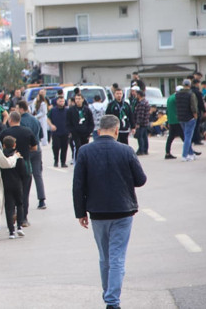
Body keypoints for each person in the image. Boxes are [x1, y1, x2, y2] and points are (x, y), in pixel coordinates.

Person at [73, 115, 147, 309]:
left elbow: (78, 185)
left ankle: (109, 296)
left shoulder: (85, 151)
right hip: (123, 211)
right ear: (116, 130)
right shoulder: (126, 150)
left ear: (98, 131)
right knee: (117, 257)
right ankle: (112, 301)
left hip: (97, 212)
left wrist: (80, 212)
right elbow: (140, 179)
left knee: (105, 257)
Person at [0, 112, 38, 228]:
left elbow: (2, 147)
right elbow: (34, 147)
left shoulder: (5, 132)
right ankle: (23, 219)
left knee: (10, 194)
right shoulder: (27, 131)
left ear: (10, 120)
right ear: (19, 120)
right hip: (25, 163)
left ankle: (11, 217)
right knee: (24, 193)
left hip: (9, 166)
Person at [18, 101, 47, 210]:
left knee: (24, 177)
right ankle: (42, 200)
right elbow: (41, 135)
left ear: (21, 109)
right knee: (37, 175)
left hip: (26, 150)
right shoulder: (35, 119)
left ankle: (23, 200)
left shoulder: (21, 121)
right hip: (37, 149)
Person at [0, 136, 28, 239]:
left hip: (6, 184)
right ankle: (19, 226)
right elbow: (24, 173)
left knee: (9, 207)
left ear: (3, 145)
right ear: (14, 145)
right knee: (19, 204)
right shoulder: (18, 157)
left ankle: (11, 230)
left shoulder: (2, 157)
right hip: (17, 183)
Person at [67, 94, 95, 166]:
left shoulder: (87, 110)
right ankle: (77, 163)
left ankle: (85, 163)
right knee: (78, 147)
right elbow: (68, 122)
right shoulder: (71, 110)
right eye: (76, 99)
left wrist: (89, 131)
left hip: (85, 133)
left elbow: (91, 122)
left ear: (82, 99)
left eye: (79, 99)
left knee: (85, 148)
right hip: (76, 133)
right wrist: (71, 131)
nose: (78, 100)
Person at [174, 80, 199, 161]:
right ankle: (184, 155)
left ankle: (191, 153)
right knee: (188, 137)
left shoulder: (177, 94)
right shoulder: (191, 94)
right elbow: (193, 106)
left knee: (186, 136)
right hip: (189, 117)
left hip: (181, 117)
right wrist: (195, 115)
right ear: (190, 85)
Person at [48, 96, 69, 167]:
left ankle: (63, 162)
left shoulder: (67, 110)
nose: (62, 103)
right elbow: (48, 119)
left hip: (65, 132)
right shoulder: (53, 110)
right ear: (57, 102)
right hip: (56, 132)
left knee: (64, 147)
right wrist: (51, 125)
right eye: (60, 101)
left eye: (63, 101)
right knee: (56, 147)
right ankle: (56, 161)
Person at [134, 90, 151, 156]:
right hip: (146, 122)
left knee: (140, 137)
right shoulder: (146, 102)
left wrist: (138, 123)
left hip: (141, 123)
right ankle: (145, 149)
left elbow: (140, 115)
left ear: (139, 95)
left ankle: (141, 150)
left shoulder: (141, 103)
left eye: (136, 94)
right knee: (144, 137)